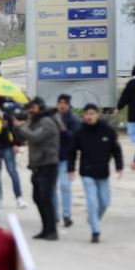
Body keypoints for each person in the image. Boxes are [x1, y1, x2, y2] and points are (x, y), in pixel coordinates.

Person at [68, 104, 123, 243]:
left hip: (103, 172)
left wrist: (119, 166)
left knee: (104, 202)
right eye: (87, 114)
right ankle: (95, 231)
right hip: (87, 172)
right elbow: (72, 151)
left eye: (92, 113)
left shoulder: (107, 131)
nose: (89, 116)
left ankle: (92, 219)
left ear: (98, 114)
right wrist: (71, 168)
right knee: (92, 202)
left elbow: (116, 149)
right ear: (84, 116)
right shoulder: (79, 132)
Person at [14, 97, 60, 240]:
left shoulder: (46, 121)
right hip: (38, 165)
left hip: (48, 164)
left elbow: (35, 137)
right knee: (38, 197)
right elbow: (23, 139)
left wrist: (21, 126)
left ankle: (52, 230)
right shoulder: (35, 121)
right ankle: (46, 229)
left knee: (45, 198)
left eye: (32, 108)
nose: (30, 111)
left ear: (39, 107)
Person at [53, 94, 81, 227]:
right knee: (51, 188)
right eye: (60, 102)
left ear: (69, 105)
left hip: (66, 158)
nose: (62, 105)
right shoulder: (52, 118)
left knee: (65, 186)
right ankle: (54, 216)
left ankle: (66, 215)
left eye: (65, 103)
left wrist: (64, 131)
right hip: (51, 158)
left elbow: (75, 140)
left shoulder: (73, 120)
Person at [116, 65, 135, 145]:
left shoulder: (132, 83)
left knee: (132, 134)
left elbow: (125, 97)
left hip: (133, 116)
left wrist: (118, 107)